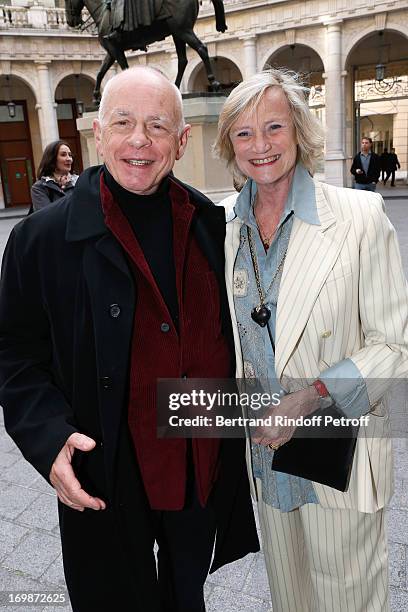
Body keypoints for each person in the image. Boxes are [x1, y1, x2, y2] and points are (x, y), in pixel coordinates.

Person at [0, 67, 259, 612]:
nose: (139, 140)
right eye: (123, 122)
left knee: (187, 597)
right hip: (106, 474)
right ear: (98, 133)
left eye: (158, 126)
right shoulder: (38, 241)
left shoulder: (212, 225)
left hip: (195, 463)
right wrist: (48, 440)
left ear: (181, 141)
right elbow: (15, 356)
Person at [214, 68, 408, 611]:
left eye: (273, 127)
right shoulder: (224, 227)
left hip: (335, 454)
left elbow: (395, 345)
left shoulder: (359, 216)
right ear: (230, 143)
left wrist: (308, 398)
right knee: (291, 601)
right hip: (266, 459)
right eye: (244, 132)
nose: (261, 145)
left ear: (299, 130)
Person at [30, 140, 78, 212]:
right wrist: (63, 189)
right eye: (63, 155)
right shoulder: (39, 187)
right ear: (52, 159)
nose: (69, 159)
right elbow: (47, 216)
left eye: (70, 155)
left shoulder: (80, 181)